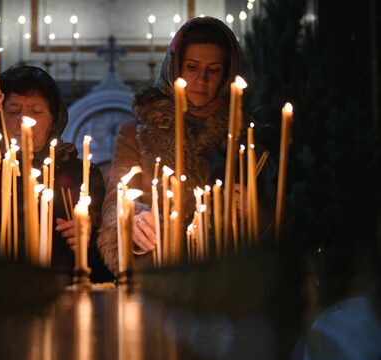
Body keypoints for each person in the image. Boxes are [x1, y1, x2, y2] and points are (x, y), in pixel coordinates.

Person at [97, 16, 275, 274]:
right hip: (158, 276)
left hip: (224, 278)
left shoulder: (242, 138)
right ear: (175, 67)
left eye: (213, 70)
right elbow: (116, 201)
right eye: (192, 67)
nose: (202, 80)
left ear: (226, 75)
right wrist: (133, 218)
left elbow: (278, 220)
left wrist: (255, 213)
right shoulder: (137, 133)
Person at [0, 65, 113, 282]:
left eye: (36, 111)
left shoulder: (80, 173)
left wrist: (90, 238)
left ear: (54, 121)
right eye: (13, 111)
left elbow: (106, 252)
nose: (23, 121)